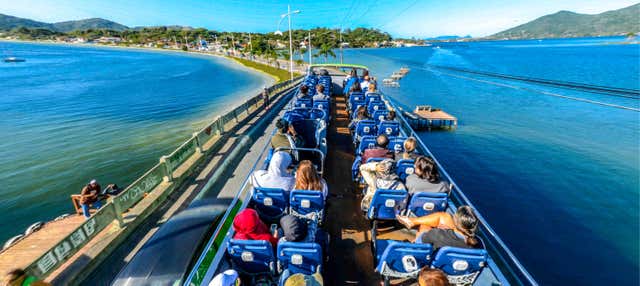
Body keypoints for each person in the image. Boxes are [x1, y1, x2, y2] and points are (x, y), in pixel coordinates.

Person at [396, 206, 481, 250]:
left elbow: (419, 242)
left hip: (433, 265)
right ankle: (412, 221)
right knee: (444, 216)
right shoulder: (478, 244)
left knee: (424, 225)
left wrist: (439, 231)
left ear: (455, 220)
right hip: (452, 267)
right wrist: (446, 231)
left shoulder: (436, 234)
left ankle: (411, 222)